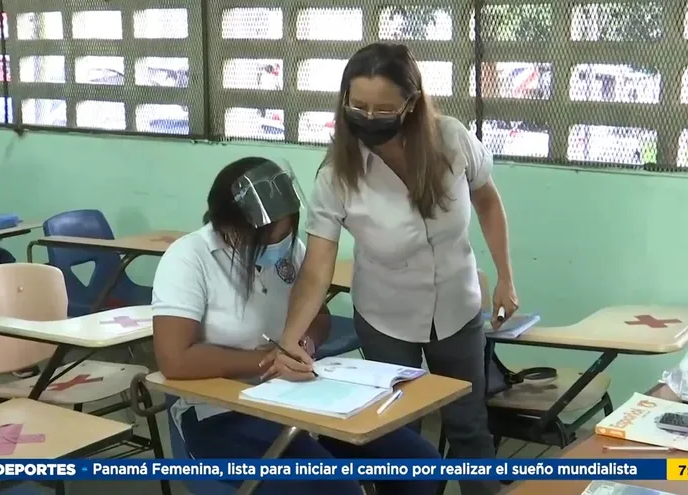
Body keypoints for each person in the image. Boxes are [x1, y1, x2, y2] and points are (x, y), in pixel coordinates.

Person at [275, 43, 519, 495]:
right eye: (358, 106)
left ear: (412, 102)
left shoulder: (451, 140)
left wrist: (505, 277)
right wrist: (291, 339)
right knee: (395, 436)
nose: (369, 117)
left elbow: (487, 199)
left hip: (458, 308)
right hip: (385, 318)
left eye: (384, 108)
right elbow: (317, 268)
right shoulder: (336, 175)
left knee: (469, 428)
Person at [151, 157, 441, 495]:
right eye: (268, 239)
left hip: (298, 399)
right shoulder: (189, 259)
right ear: (231, 228)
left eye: (286, 234)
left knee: (417, 463)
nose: (280, 247)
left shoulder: (289, 251)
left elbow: (319, 317)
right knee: (333, 489)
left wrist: (305, 343)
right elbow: (174, 360)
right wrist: (271, 359)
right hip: (221, 413)